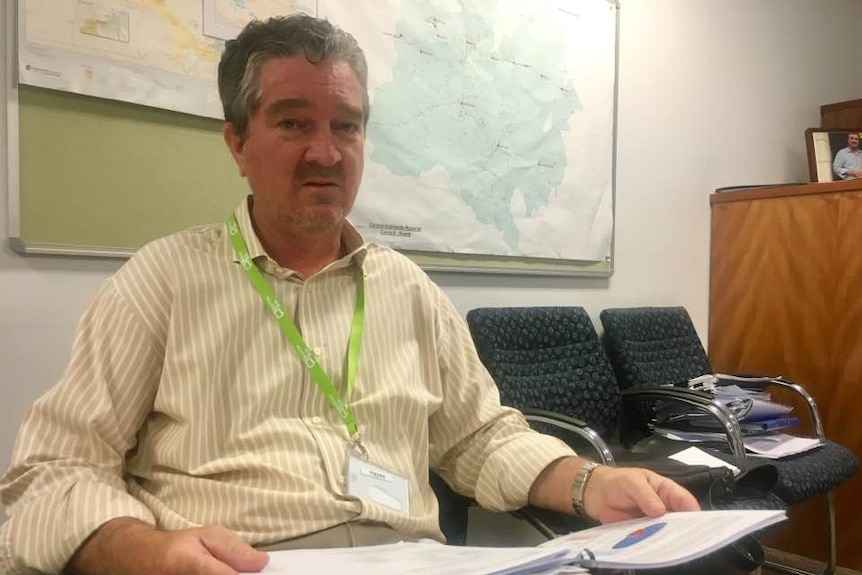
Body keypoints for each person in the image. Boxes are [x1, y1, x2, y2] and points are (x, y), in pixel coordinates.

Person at [0, 14, 698, 575]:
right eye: (294, 122)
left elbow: (481, 437)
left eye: (347, 125)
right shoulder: (158, 283)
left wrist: (586, 481)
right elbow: (51, 475)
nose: (326, 153)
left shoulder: (410, 290)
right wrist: (143, 551)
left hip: (410, 558)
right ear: (237, 143)